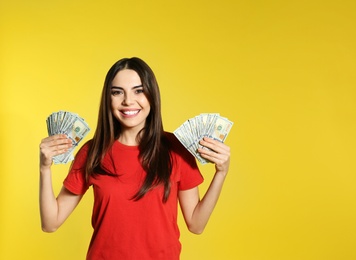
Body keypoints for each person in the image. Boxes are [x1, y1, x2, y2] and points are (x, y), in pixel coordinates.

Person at [39, 57, 231, 259]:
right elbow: (50, 223)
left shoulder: (176, 149)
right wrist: (44, 168)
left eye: (138, 90)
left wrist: (221, 173)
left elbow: (196, 224)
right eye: (117, 92)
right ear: (108, 99)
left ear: (152, 96)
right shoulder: (92, 152)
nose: (128, 101)